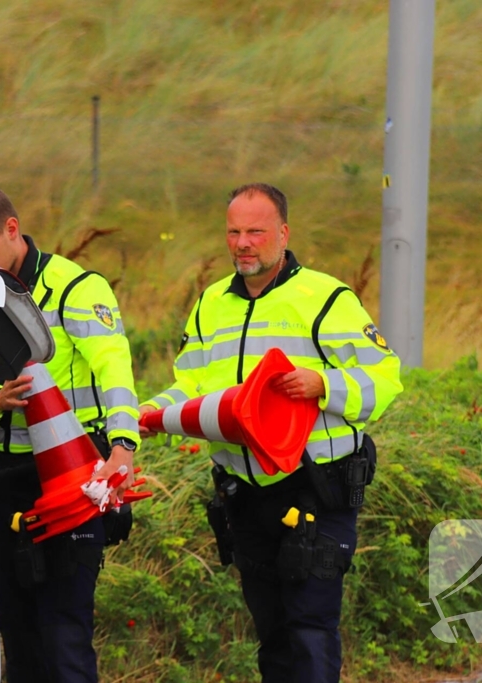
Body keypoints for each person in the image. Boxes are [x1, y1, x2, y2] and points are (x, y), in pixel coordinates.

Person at [140, 183, 403, 683]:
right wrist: (148, 414)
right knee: (273, 634)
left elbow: (385, 378)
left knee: (309, 631)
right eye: (234, 232)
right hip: (245, 496)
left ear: (282, 233)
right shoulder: (212, 302)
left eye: (256, 232)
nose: (243, 243)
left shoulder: (326, 297)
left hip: (316, 490)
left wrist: (323, 384)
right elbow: (192, 387)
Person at [0, 181, 140, 683]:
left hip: (74, 478)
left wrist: (123, 445)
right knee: (17, 628)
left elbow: (114, 368)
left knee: (65, 630)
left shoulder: (75, 288)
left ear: (12, 229)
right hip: (5, 480)